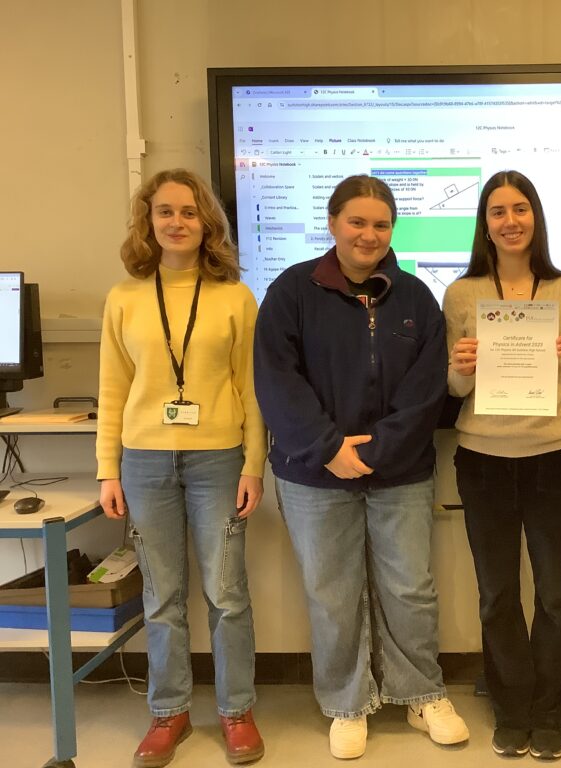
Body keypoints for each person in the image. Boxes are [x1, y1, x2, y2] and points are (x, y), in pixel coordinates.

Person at [253, 174, 469, 760]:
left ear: (392, 230)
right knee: (331, 592)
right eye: (357, 222)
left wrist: (371, 451)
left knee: (410, 587)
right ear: (332, 223)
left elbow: (428, 393)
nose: (368, 234)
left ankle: (421, 693)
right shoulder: (292, 291)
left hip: (399, 471)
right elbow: (277, 381)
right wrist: (329, 447)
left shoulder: (417, 299)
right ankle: (347, 703)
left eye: (380, 224)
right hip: (312, 473)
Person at [97, 168, 267, 767]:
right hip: (143, 462)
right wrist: (107, 469)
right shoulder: (124, 297)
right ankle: (168, 713)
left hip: (218, 459)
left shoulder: (235, 296)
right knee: (161, 595)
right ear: (148, 220)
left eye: (189, 213)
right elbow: (113, 388)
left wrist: (254, 465)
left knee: (226, 592)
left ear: (207, 224)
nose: (177, 222)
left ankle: (235, 710)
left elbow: (250, 386)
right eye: (165, 212)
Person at [444, 171, 561, 760]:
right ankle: (512, 708)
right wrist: (462, 365)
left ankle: (551, 709)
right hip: (482, 460)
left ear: (536, 216)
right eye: (497, 211)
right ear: (484, 223)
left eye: (520, 208)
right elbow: (455, 385)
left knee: (556, 594)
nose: (510, 221)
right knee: (496, 594)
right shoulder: (462, 295)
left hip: (553, 459)